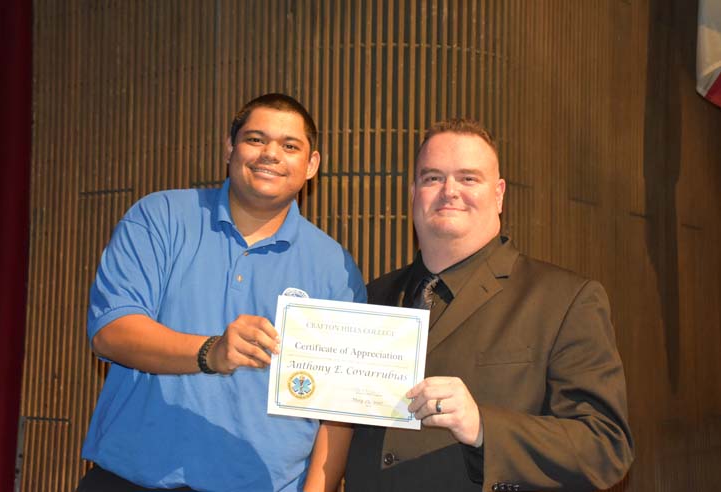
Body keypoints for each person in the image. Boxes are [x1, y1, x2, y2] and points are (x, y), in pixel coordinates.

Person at [76, 93, 366, 492]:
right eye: (255, 139)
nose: (270, 154)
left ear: (312, 165)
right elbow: (111, 332)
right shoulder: (160, 218)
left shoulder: (336, 267)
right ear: (229, 149)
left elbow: (339, 409)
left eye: (290, 146)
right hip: (130, 479)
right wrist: (211, 352)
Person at [345, 118, 634, 491]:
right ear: (413, 191)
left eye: (468, 178)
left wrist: (482, 425)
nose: (449, 191)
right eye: (433, 177)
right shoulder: (371, 298)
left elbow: (606, 447)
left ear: (498, 195)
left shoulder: (565, 300)